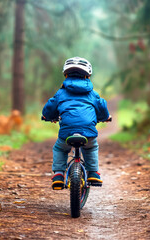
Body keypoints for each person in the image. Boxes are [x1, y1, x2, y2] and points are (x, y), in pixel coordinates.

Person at [42, 56, 111, 190]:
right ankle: (93, 173)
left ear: (66, 74)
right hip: (88, 132)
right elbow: (102, 107)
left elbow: (50, 108)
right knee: (91, 147)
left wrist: (47, 116)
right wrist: (105, 117)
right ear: (87, 76)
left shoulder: (61, 93)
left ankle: (58, 175)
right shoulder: (92, 94)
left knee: (60, 148)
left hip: (66, 132)